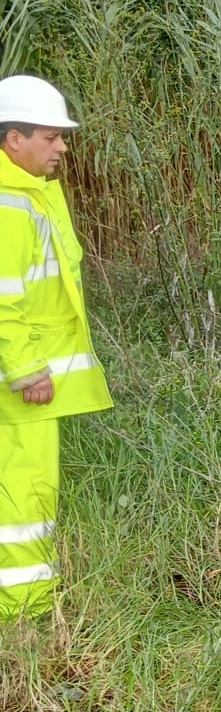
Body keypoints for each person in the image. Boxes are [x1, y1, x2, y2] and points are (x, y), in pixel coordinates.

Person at [0, 76, 112, 621]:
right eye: (51, 137)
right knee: (25, 496)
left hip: (20, 379)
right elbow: (3, 299)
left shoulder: (30, 194)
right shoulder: (8, 205)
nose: (63, 147)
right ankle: (22, 613)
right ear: (13, 139)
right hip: (17, 387)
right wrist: (27, 371)